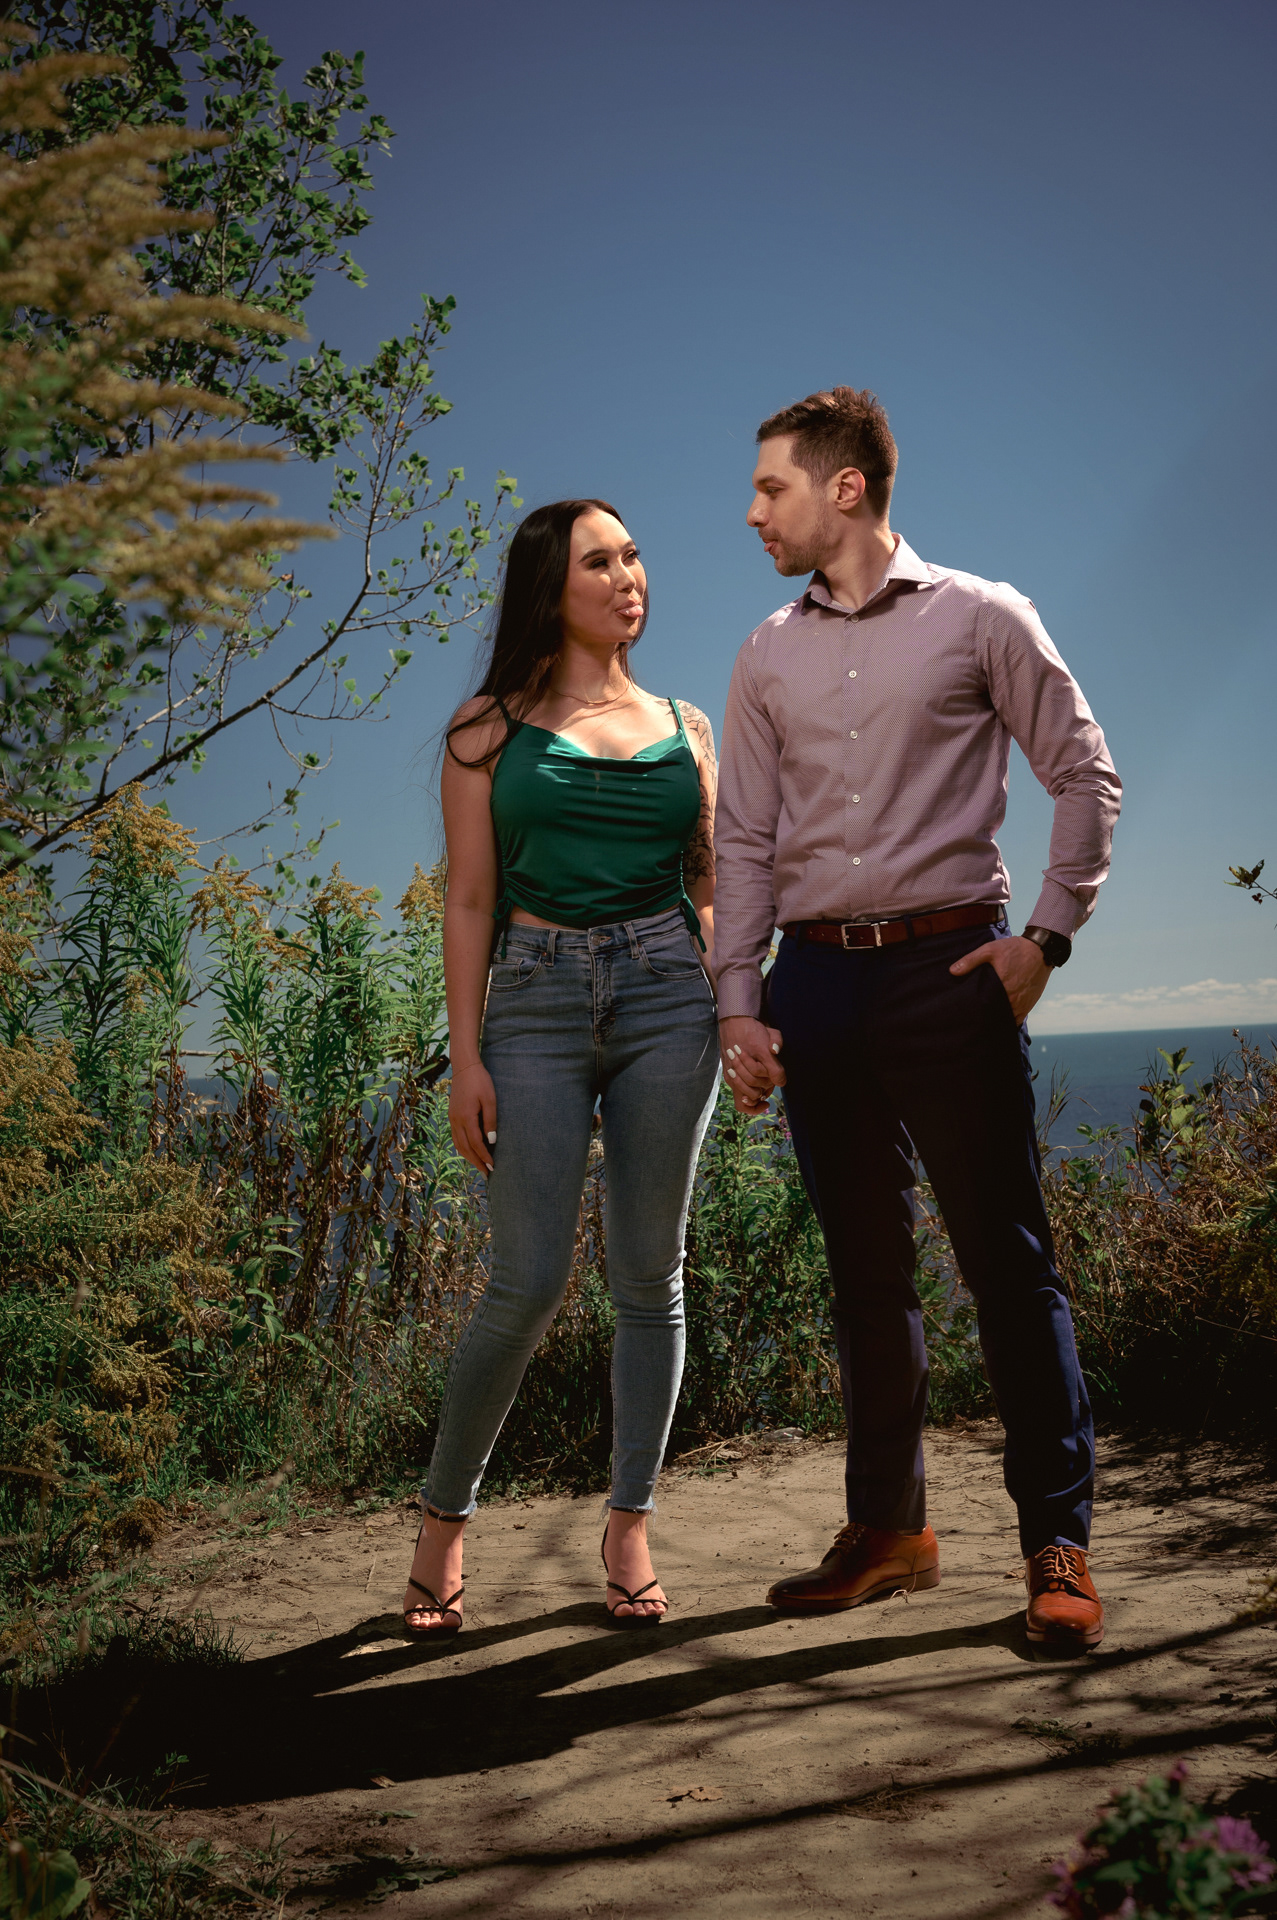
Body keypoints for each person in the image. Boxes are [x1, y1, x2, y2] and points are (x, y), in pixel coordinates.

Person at [714, 389, 1121, 1650]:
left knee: (1006, 1264)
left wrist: (1042, 938)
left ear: (845, 488)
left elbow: (1082, 772)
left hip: (950, 967)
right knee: (863, 1274)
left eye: (771, 486)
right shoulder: (764, 651)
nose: (751, 510)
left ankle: (1055, 1544)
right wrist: (739, 997)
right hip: (815, 986)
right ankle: (888, 1531)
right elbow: (742, 836)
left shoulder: (982, 616)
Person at [402, 498, 721, 1635]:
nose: (629, 575)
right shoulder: (485, 729)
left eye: (635, 553)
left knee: (649, 1275)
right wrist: (466, 1056)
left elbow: (709, 884)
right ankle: (443, 1521)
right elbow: (472, 897)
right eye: (601, 560)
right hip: (531, 1003)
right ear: (553, 583)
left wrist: (736, 1003)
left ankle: (627, 1522)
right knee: (524, 1280)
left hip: (666, 1000)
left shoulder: (685, 726)